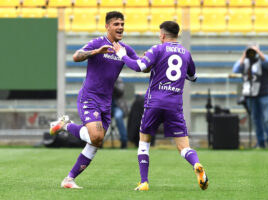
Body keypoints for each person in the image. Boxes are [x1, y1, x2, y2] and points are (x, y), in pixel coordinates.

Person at [112, 21, 209, 191]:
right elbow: (193, 77)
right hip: (175, 104)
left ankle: (144, 182)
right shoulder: (186, 53)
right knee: (184, 147)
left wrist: (121, 54)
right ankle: (196, 164)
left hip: (154, 102)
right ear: (176, 35)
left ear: (163, 35)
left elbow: (139, 66)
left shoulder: (157, 49)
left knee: (144, 141)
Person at [49, 11, 139, 189]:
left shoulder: (125, 49)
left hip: (106, 102)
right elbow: (76, 57)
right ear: (107, 26)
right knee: (95, 136)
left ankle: (69, 180)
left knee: (96, 142)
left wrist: (156, 59)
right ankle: (65, 125)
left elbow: (140, 66)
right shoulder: (98, 43)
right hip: (89, 97)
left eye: (122, 24)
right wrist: (97, 51)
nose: (120, 27)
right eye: (116, 24)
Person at [233, 42, 268, 148]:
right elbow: (236, 70)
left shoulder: (263, 58)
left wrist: (258, 52)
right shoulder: (246, 61)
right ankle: (261, 144)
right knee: (256, 120)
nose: (252, 52)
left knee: (267, 119)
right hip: (251, 95)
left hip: (264, 93)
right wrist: (244, 55)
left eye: (254, 49)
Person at [112, 77, 128, 149]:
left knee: (118, 117)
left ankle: (124, 141)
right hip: (105, 107)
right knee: (97, 116)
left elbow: (121, 92)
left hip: (117, 107)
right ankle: (98, 140)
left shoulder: (118, 79)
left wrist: (112, 83)